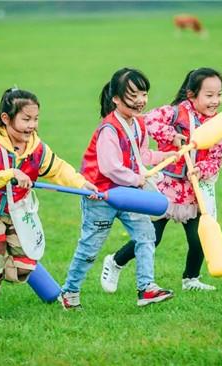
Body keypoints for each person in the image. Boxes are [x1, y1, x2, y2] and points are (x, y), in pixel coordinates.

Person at [0, 88, 98, 322]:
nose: (32, 125)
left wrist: (82, 184)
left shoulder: (36, 148)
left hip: (18, 212)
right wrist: (11, 173)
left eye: (35, 119)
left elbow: (58, 168)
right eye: (26, 119)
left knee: (25, 266)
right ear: (6, 119)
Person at [59, 67, 177, 310]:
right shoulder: (109, 129)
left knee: (146, 236)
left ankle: (146, 289)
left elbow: (140, 154)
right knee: (90, 248)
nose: (140, 101)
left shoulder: (139, 125)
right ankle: (69, 292)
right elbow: (110, 167)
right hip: (100, 195)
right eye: (132, 96)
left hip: (128, 194)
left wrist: (167, 156)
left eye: (143, 94)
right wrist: (137, 179)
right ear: (116, 98)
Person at [101, 67, 222, 293]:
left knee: (198, 238)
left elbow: (217, 160)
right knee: (152, 237)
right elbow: (148, 122)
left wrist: (201, 169)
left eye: (219, 95)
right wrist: (172, 135)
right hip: (165, 188)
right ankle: (115, 261)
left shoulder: (218, 125)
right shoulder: (175, 112)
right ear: (192, 95)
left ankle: (191, 279)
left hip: (193, 191)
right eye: (209, 95)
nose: (215, 101)